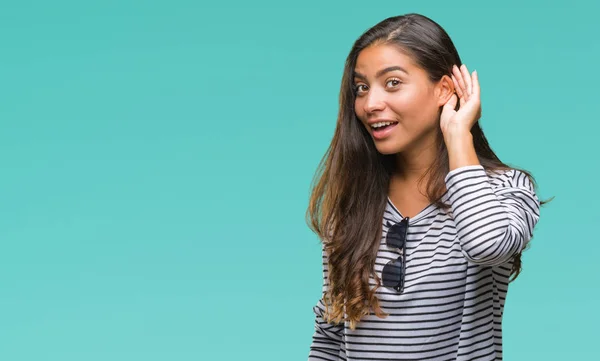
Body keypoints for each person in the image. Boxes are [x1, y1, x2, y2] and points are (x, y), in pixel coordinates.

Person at [305, 13, 550, 361]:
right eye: (361, 87)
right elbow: (330, 335)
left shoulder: (504, 189)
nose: (370, 103)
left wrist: (457, 134)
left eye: (392, 83)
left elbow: (487, 245)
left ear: (445, 89)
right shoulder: (354, 206)